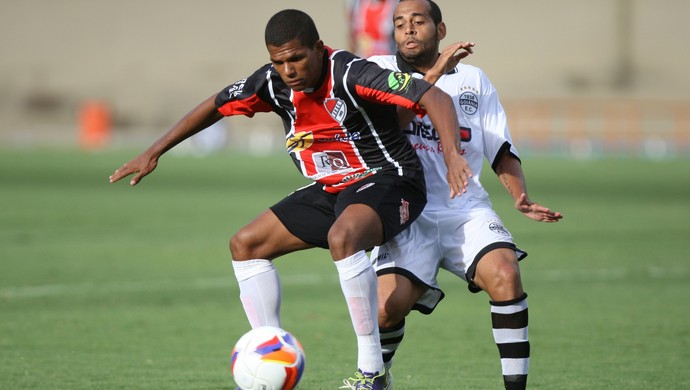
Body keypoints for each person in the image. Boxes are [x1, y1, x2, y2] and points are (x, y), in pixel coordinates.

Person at [109, 9, 473, 390]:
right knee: (245, 244)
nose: (289, 70)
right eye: (279, 62)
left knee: (342, 237)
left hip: (391, 179)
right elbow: (215, 104)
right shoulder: (270, 82)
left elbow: (434, 96)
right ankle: (270, 354)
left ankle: (372, 372)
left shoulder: (351, 73)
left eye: (297, 58)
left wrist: (451, 156)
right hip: (333, 188)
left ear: (318, 48)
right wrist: (154, 151)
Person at [366, 1, 564, 389]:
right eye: (400, 23)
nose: (408, 30)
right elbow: (389, 129)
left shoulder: (475, 80)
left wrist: (519, 195)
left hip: (465, 208)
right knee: (387, 310)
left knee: (506, 274)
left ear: (440, 31)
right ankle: (377, 377)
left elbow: (500, 146)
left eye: (418, 22)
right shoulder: (380, 71)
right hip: (407, 212)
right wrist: (435, 74)